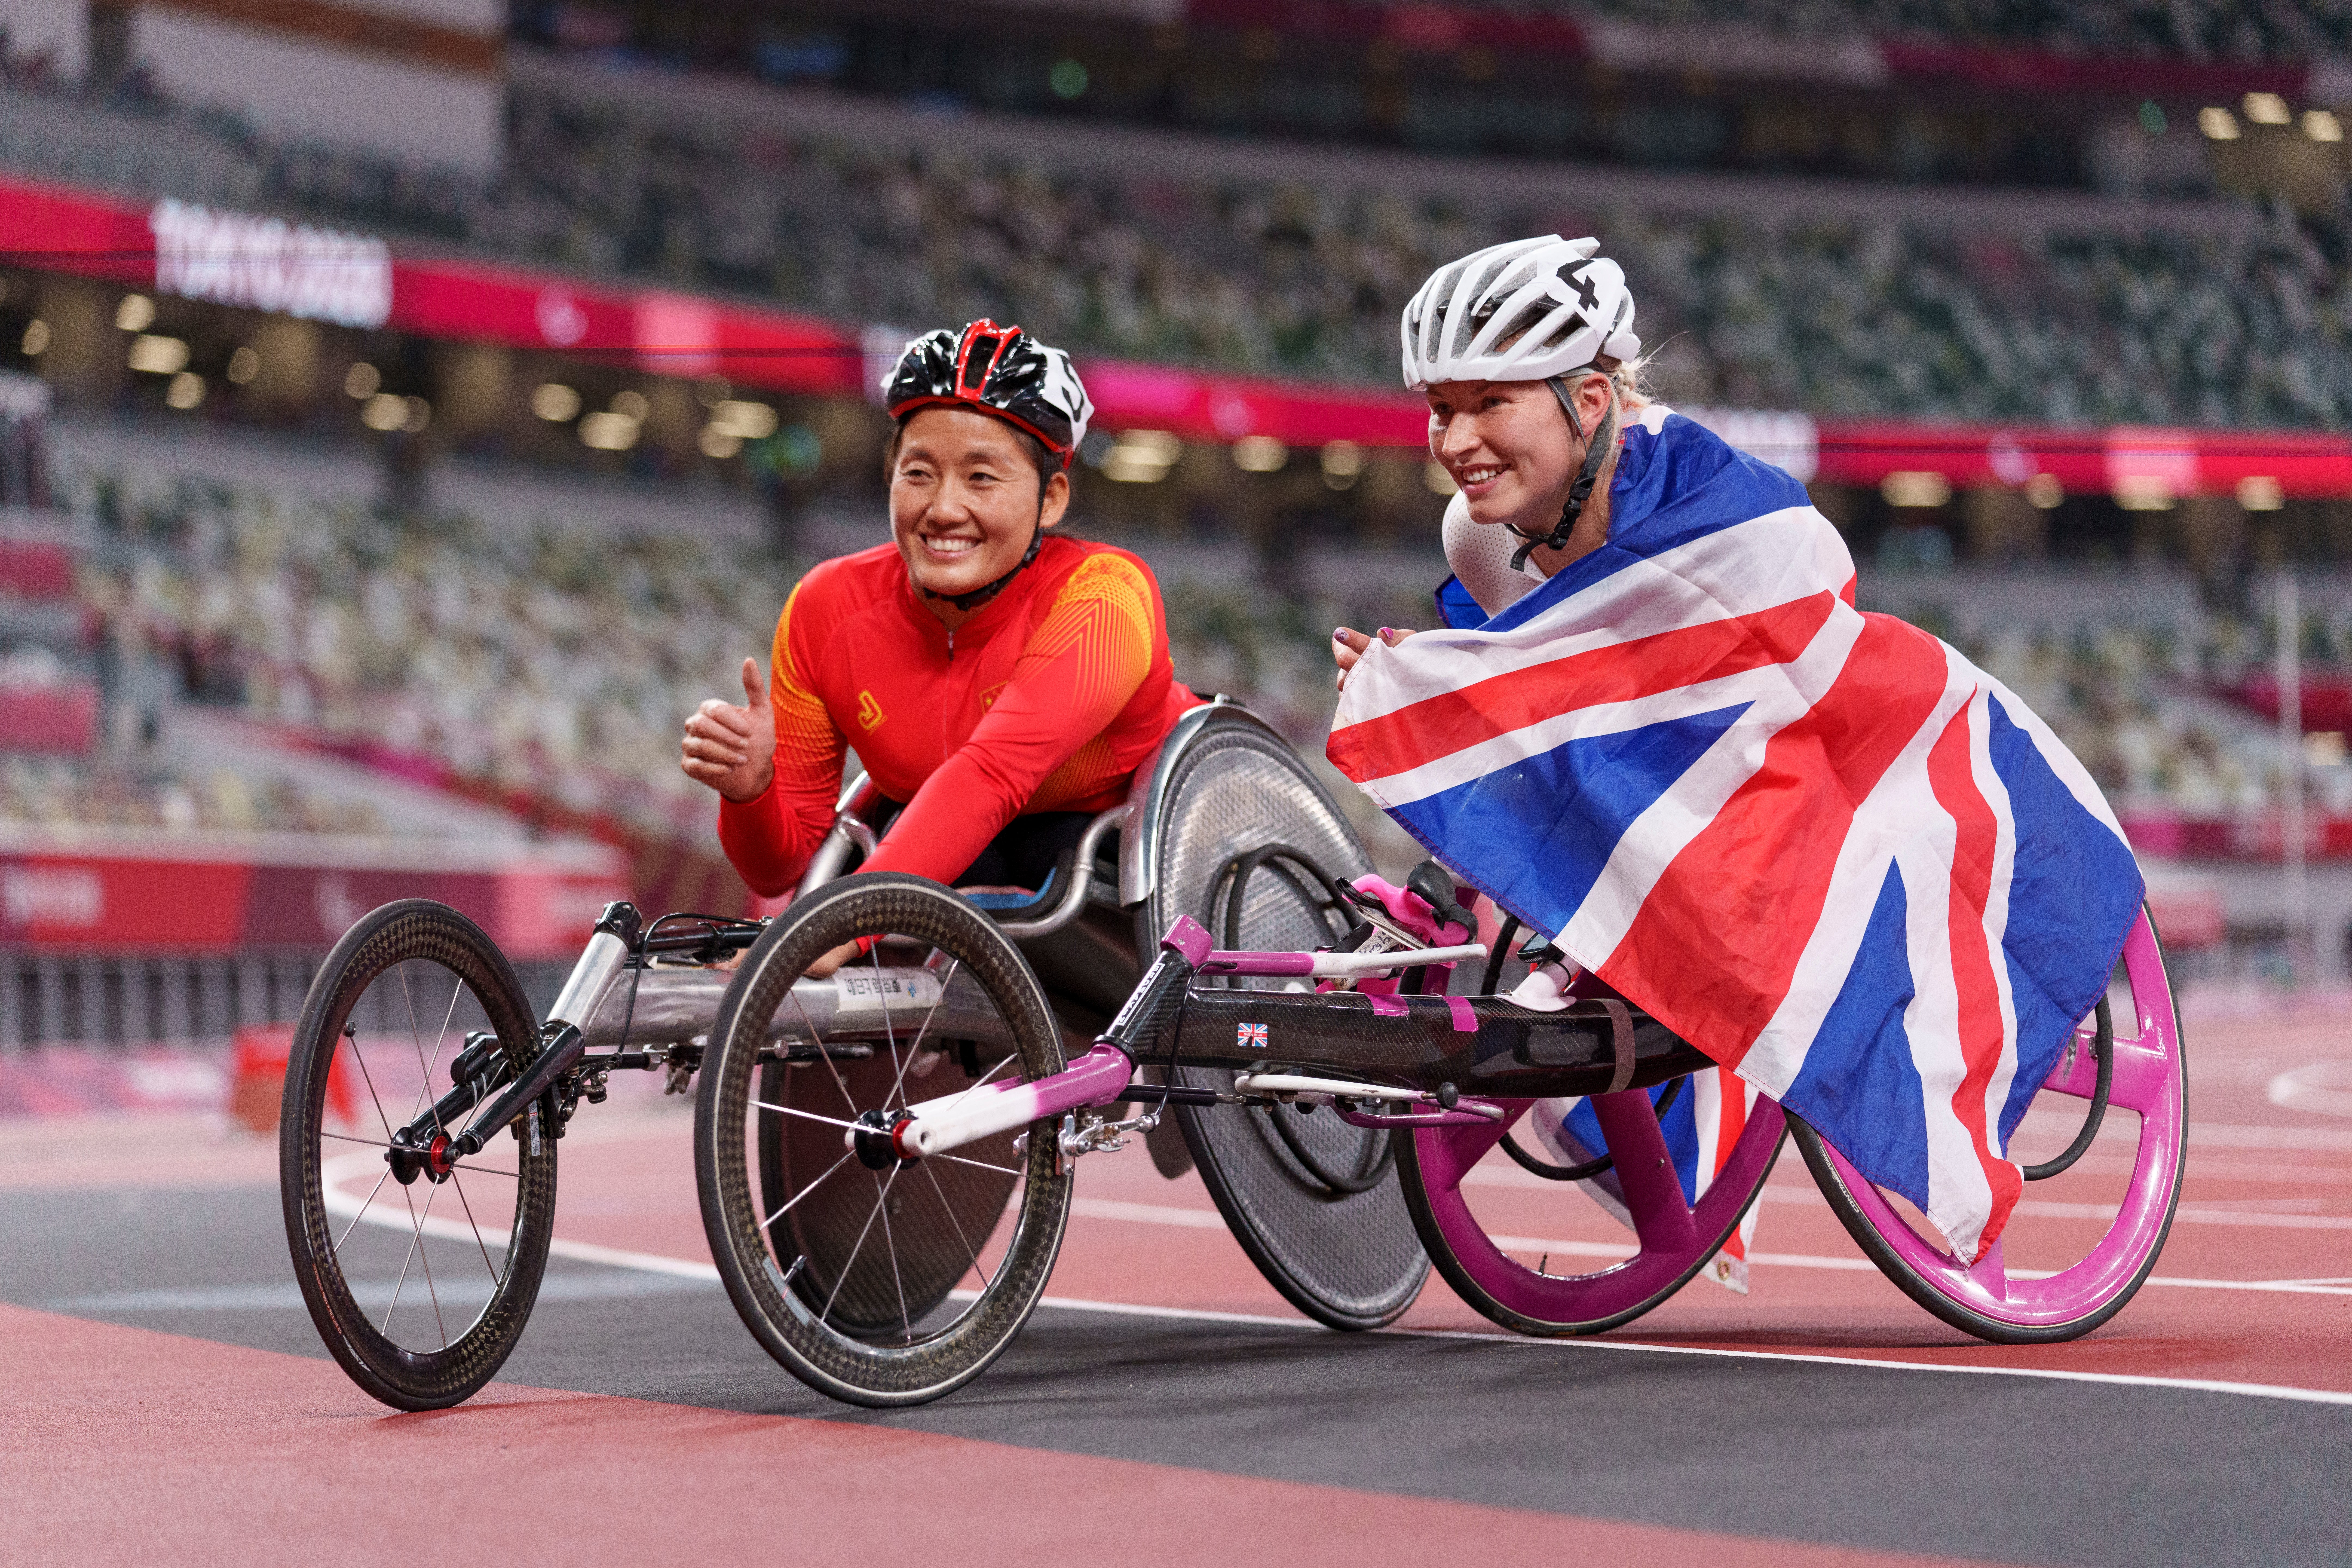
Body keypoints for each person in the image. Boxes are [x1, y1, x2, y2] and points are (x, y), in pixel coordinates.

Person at [1323, 234, 2142, 1269]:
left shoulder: (1728, 510)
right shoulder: (1478, 535)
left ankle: (1577, 946)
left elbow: (1678, 693)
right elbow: (1549, 698)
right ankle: (1528, 933)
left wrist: (1437, 689)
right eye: (1443, 409)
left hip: (1809, 743)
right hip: (1661, 767)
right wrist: (1442, 683)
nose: (1459, 439)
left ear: (1587, 401)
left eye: (1492, 403)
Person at [681, 319, 1198, 973]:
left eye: (982, 478)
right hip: (953, 858)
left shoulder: (1107, 596)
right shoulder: (825, 607)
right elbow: (784, 862)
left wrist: (830, 930)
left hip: (1129, 866)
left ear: (1051, 499)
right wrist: (750, 794)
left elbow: (992, 775)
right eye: (919, 473)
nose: (944, 509)